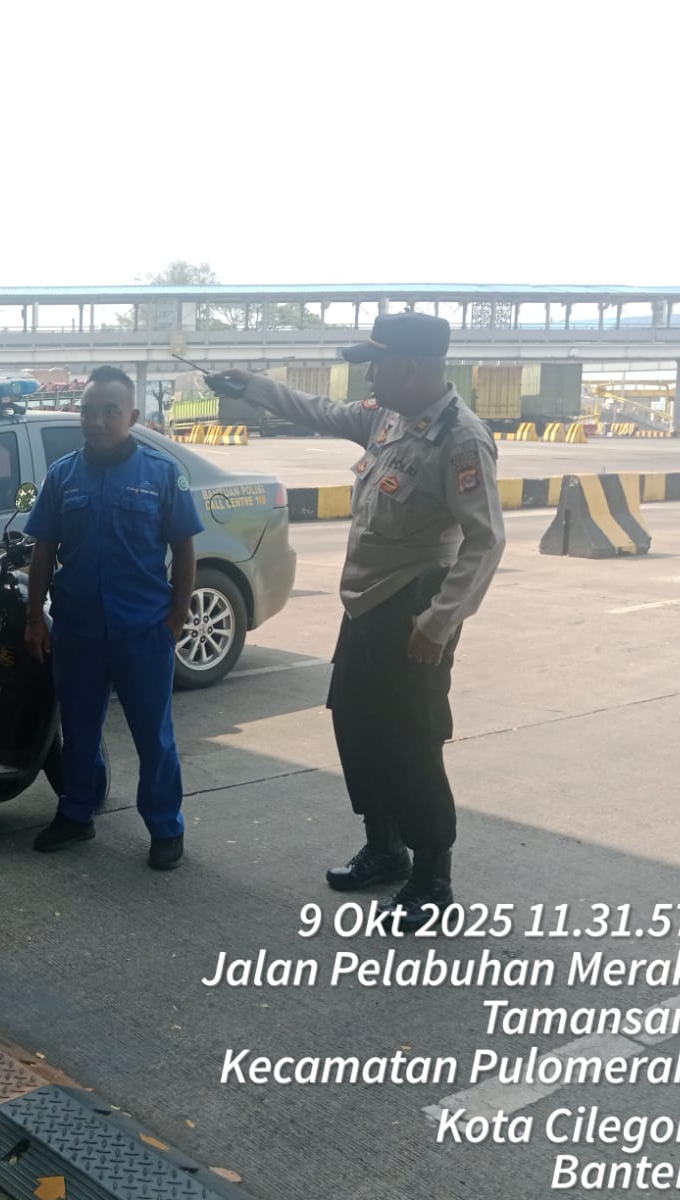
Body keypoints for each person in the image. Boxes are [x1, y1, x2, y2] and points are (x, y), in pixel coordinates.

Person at [213, 312, 505, 932]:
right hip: (366, 605)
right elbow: (318, 409)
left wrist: (438, 623)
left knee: (412, 741)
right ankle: (385, 847)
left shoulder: (461, 439)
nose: (368, 377)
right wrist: (252, 387)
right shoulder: (386, 416)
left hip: (414, 608)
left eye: (376, 364)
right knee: (358, 723)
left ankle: (432, 876)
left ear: (412, 367)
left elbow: (485, 541)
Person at [23, 365, 204, 870]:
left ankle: (165, 827)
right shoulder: (63, 475)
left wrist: (176, 618)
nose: (97, 421)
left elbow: (184, 549)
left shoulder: (161, 473)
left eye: (110, 411)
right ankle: (77, 812)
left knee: (154, 736)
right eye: (88, 411)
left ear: (133, 416)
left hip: (143, 631)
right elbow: (43, 551)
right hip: (78, 630)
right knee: (79, 730)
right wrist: (35, 618)